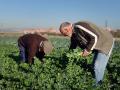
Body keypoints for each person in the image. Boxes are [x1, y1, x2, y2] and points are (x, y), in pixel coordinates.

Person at [59, 21, 114, 86]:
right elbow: (73, 46)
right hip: (97, 44)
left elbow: (95, 36)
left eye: (64, 33)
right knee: (94, 66)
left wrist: (87, 50)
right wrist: (68, 55)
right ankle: (95, 80)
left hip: (105, 41)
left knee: (98, 66)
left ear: (67, 29)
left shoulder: (79, 26)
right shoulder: (74, 34)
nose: (65, 35)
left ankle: (98, 85)